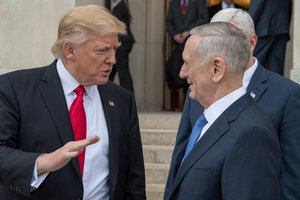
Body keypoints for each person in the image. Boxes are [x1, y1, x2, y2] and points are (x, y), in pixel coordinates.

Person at [0, 5, 145, 200]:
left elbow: (133, 179)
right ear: (70, 50)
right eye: (102, 50)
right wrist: (42, 162)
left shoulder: (121, 100)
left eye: (114, 49)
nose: (112, 60)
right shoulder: (14, 88)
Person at [177, 8, 300, 200]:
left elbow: (290, 179)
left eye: (188, 64)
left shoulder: (260, 123)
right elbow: (182, 159)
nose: (182, 73)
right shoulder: (198, 94)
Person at [166, 0, 209, 94]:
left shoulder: (198, 2)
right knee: (178, 75)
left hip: (193, 44)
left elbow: (204, 18)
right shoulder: (174, 3)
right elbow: (169, 22)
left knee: (192, 76)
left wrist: (188, 32)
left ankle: (188, 102)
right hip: (177, 46)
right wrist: (174, 35)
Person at [249, 0, 292, 75]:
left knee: (250, 64)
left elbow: (257, 5)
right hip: (282, 27)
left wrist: (248, 26)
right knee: (276, 69)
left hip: (264, 27)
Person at [109, 0, 135, 93]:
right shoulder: (118, 5)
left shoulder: (119, 6)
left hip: (122, 43)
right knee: (110, 73)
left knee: (123, 73)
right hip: (121, 43)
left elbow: (114, 25)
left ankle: (128, 100)